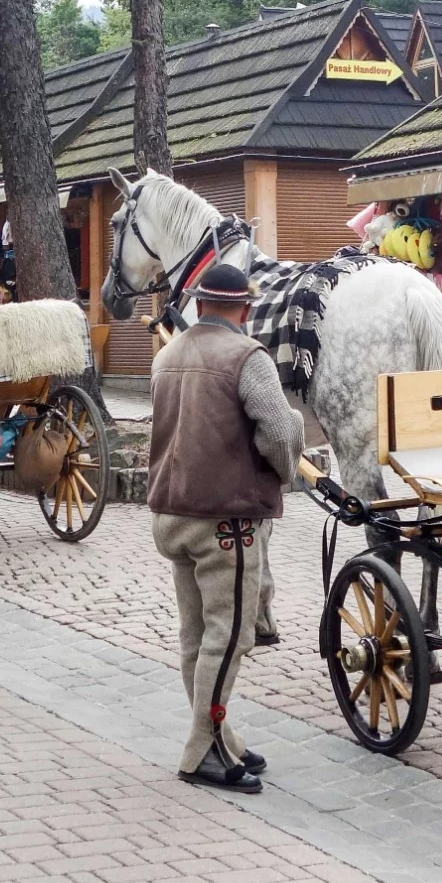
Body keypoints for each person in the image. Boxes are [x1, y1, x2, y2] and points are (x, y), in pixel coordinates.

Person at [148, 260, 301, 795]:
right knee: (229, 635)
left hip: (173, 514)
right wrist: (283, 473)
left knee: (195, 636)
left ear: (198, 303)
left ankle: (221, 736)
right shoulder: (247, 357)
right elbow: (279, 432)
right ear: (246, 307)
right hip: (226, 519)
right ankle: (201, 750)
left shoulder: (167, 354)